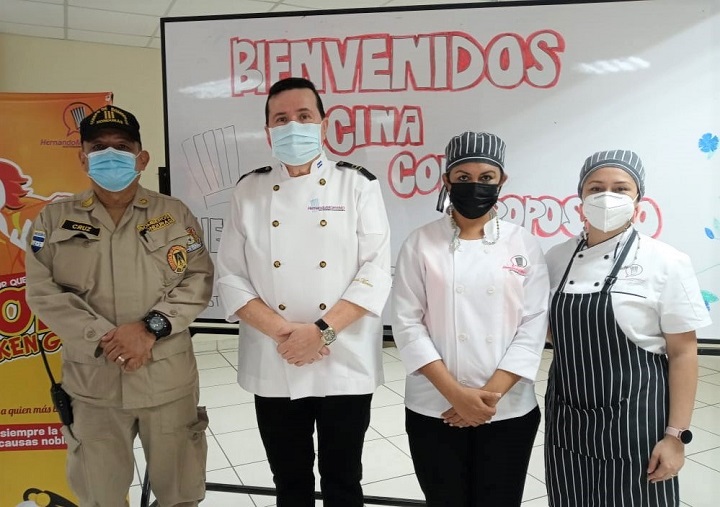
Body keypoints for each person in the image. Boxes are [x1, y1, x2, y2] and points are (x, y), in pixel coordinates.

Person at [25, 105, 214, 507]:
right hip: (93, 385)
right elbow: (43, 292)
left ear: (141, 157)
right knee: (99, 495)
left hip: (166, 380)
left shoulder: (173, 214)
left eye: (122, 146)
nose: (110, 154)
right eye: (98, 147)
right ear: (82, 157)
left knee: (180, 493)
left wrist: (149, 329)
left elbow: (198, 277)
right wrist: (106, 338)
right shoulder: (53, 220)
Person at [215, 77, 392, 507]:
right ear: (268, 131)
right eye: (281, 118)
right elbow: (231, 275)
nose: (293, 125)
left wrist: (321, 332)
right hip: (275, 359)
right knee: (289, 480)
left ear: (323, 124)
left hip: (343, 356)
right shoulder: (249, 189)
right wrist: (286, 333)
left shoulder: (358, 185)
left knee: (343, 478)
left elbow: (376, 271)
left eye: (303, 116)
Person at [544, 150, 711, 506]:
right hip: (567, 416)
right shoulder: (555, 258)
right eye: (596, 187)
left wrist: (675, 437)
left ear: (638, 201)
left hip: (636, 420)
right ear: (580, 199)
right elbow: (550, 332)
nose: (608, 196)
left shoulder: (666, 261)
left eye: (621, 189)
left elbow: (683, 353)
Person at [391, 131, 549, 506]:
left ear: (501, 182)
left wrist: (484, 399)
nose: (474, 186)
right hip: (436, 406)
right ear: (446, 180)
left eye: (486, 178)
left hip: (508, 409)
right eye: (463, 178)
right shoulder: (419, 242)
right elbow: (407, 322)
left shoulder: (523, 243)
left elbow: (534, 324)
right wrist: (457, 396)